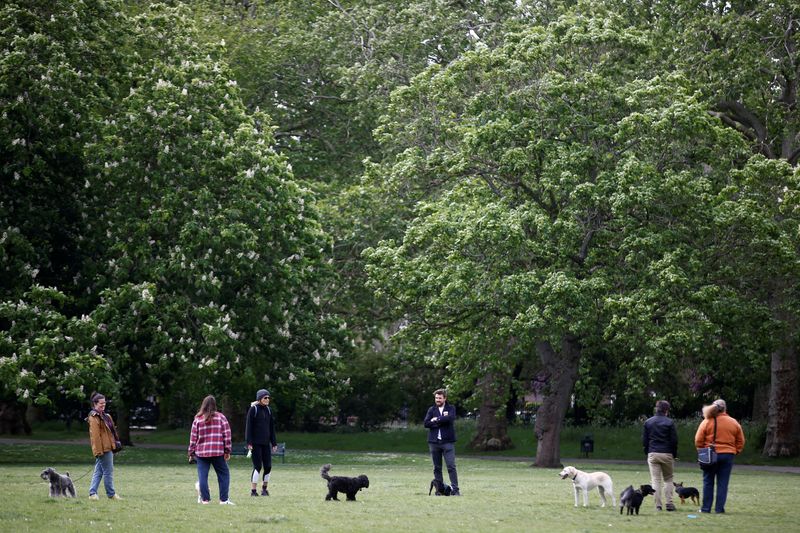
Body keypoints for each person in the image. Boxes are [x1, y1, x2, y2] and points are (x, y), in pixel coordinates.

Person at [694, 398, 745, 514]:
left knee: (708, 481)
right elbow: (741, 441)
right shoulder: (733, 422)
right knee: (723, 483)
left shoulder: (707, 421)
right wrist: (735, 451)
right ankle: (719, 509)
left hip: (710, 454)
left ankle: (706, 508)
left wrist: (701, 451)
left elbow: (698, 440)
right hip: (728, 455)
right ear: (725, 409)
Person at [188, 395, 235, 505]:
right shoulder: (221, 417)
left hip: (201, 453)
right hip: (218, 452)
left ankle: (205, 500)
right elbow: (227, 435)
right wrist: (227, 450)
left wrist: (191, 452)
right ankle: (224, 500)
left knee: (202, 476)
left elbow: (193, 437)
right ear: (214, 405)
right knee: (224, 474)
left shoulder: (197, 420)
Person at [642, 399, 678, 511]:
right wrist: (674, 454)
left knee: (655, 480)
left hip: (653, 453)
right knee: (668, 479)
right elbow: (674, 440)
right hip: (667, 453)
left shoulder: (648, 422)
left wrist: (648, 452)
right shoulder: (670, 422)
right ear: (666, 410)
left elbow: (644, 440)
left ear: (656, 409)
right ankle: (669, 504)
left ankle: (658, 505)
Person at [423, 388, 460, 496]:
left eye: (440, 398)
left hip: (447, 442)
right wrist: (440, 420)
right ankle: (439, 489)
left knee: (451, 466)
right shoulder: (431, 410)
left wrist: (436, 420)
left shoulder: (451, 408)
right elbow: (426, 423)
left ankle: (455, 490)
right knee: (437, 467)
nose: (437, 400)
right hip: (434, 442)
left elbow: (450, 418)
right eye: (436, 398)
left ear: (445, 398)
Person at [87, 392, 122, 500]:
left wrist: (115, 445)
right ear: (95, 404)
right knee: (108, 472)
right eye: (101, 403)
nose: (103, 405)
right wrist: (98, 451)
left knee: (98, 471)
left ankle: (92, 493)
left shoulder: (106, 416)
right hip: (103, 449)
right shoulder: (93, 417)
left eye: (104, 403)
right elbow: (95, 437)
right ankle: (111, 494)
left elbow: (112, 432)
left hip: (109, 447)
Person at [246, 388, 278, 496]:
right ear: (260, 399)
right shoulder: (253, 410)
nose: (268, 399)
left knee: (268, 466)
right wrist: (249, 442)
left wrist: (274, 443)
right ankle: (253, 491)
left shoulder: (269, 410)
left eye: (268, 397)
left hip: (266, 444)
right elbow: (248, 428)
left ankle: (264, 489)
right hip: (255, 444)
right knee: (258, 466)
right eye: (265, 397)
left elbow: (271, 428)